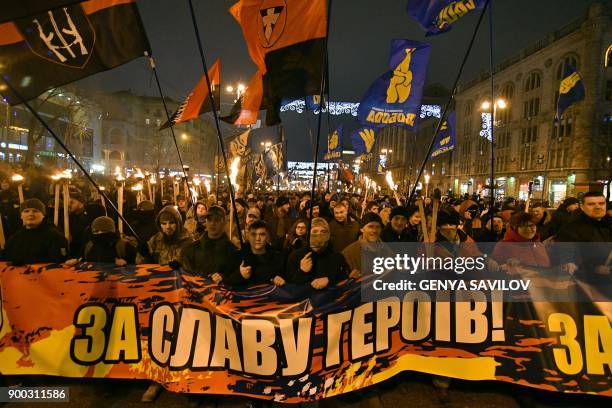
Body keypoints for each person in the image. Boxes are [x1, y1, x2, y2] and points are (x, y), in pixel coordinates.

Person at [557, 192, 611, 280]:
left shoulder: (609, 225)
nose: (597, 207)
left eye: (601, 203)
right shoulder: (571, 229)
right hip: (588, 282)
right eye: (591, 204)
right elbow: (567, 259)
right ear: (582, 207)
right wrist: (594, 269)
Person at [286, 217, 349, 290]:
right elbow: (288, 287)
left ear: (328, 235)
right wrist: (301, 271)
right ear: (308, 234)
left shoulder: (337, 257)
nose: (319, 235)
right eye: (315, 231)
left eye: (323, 232)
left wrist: (329, 279)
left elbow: (345, 278)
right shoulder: (295, 256)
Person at [182, 206, 238, 283]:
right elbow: (187, 274)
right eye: (209, 220)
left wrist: (223, 276)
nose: (212, 223)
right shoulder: (193, 249)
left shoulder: (232, 250)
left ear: (224, 222)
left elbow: (235, 274)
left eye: (217, 220)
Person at [4, 198, 68, 265]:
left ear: (43, 215)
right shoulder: (14, 239)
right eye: (26, 211)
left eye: (35, 211)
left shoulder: (56, 237)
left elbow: (59, 261)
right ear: (21, 216)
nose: (31, 214)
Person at [226, 220, 286, 287]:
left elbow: (286, 279)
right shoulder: (238, 256)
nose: (257, 238)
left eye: (262, 234)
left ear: (267, 236)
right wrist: (240, 275)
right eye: (253, 234)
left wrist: (280, 279)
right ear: (248, 235)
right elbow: (227, 282)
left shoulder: (277, 257)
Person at [342, 213, 385, 278]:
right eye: (370, 226)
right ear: (362, 229)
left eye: (378, 227)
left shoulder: (387, 249)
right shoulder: (349, 252)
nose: (374, 230)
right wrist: (348, 277)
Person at [68, 192, 89, 257]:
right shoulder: (70, 217)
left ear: (81, 203)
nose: (69, 205)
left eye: (72, 202)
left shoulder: (86, 218)